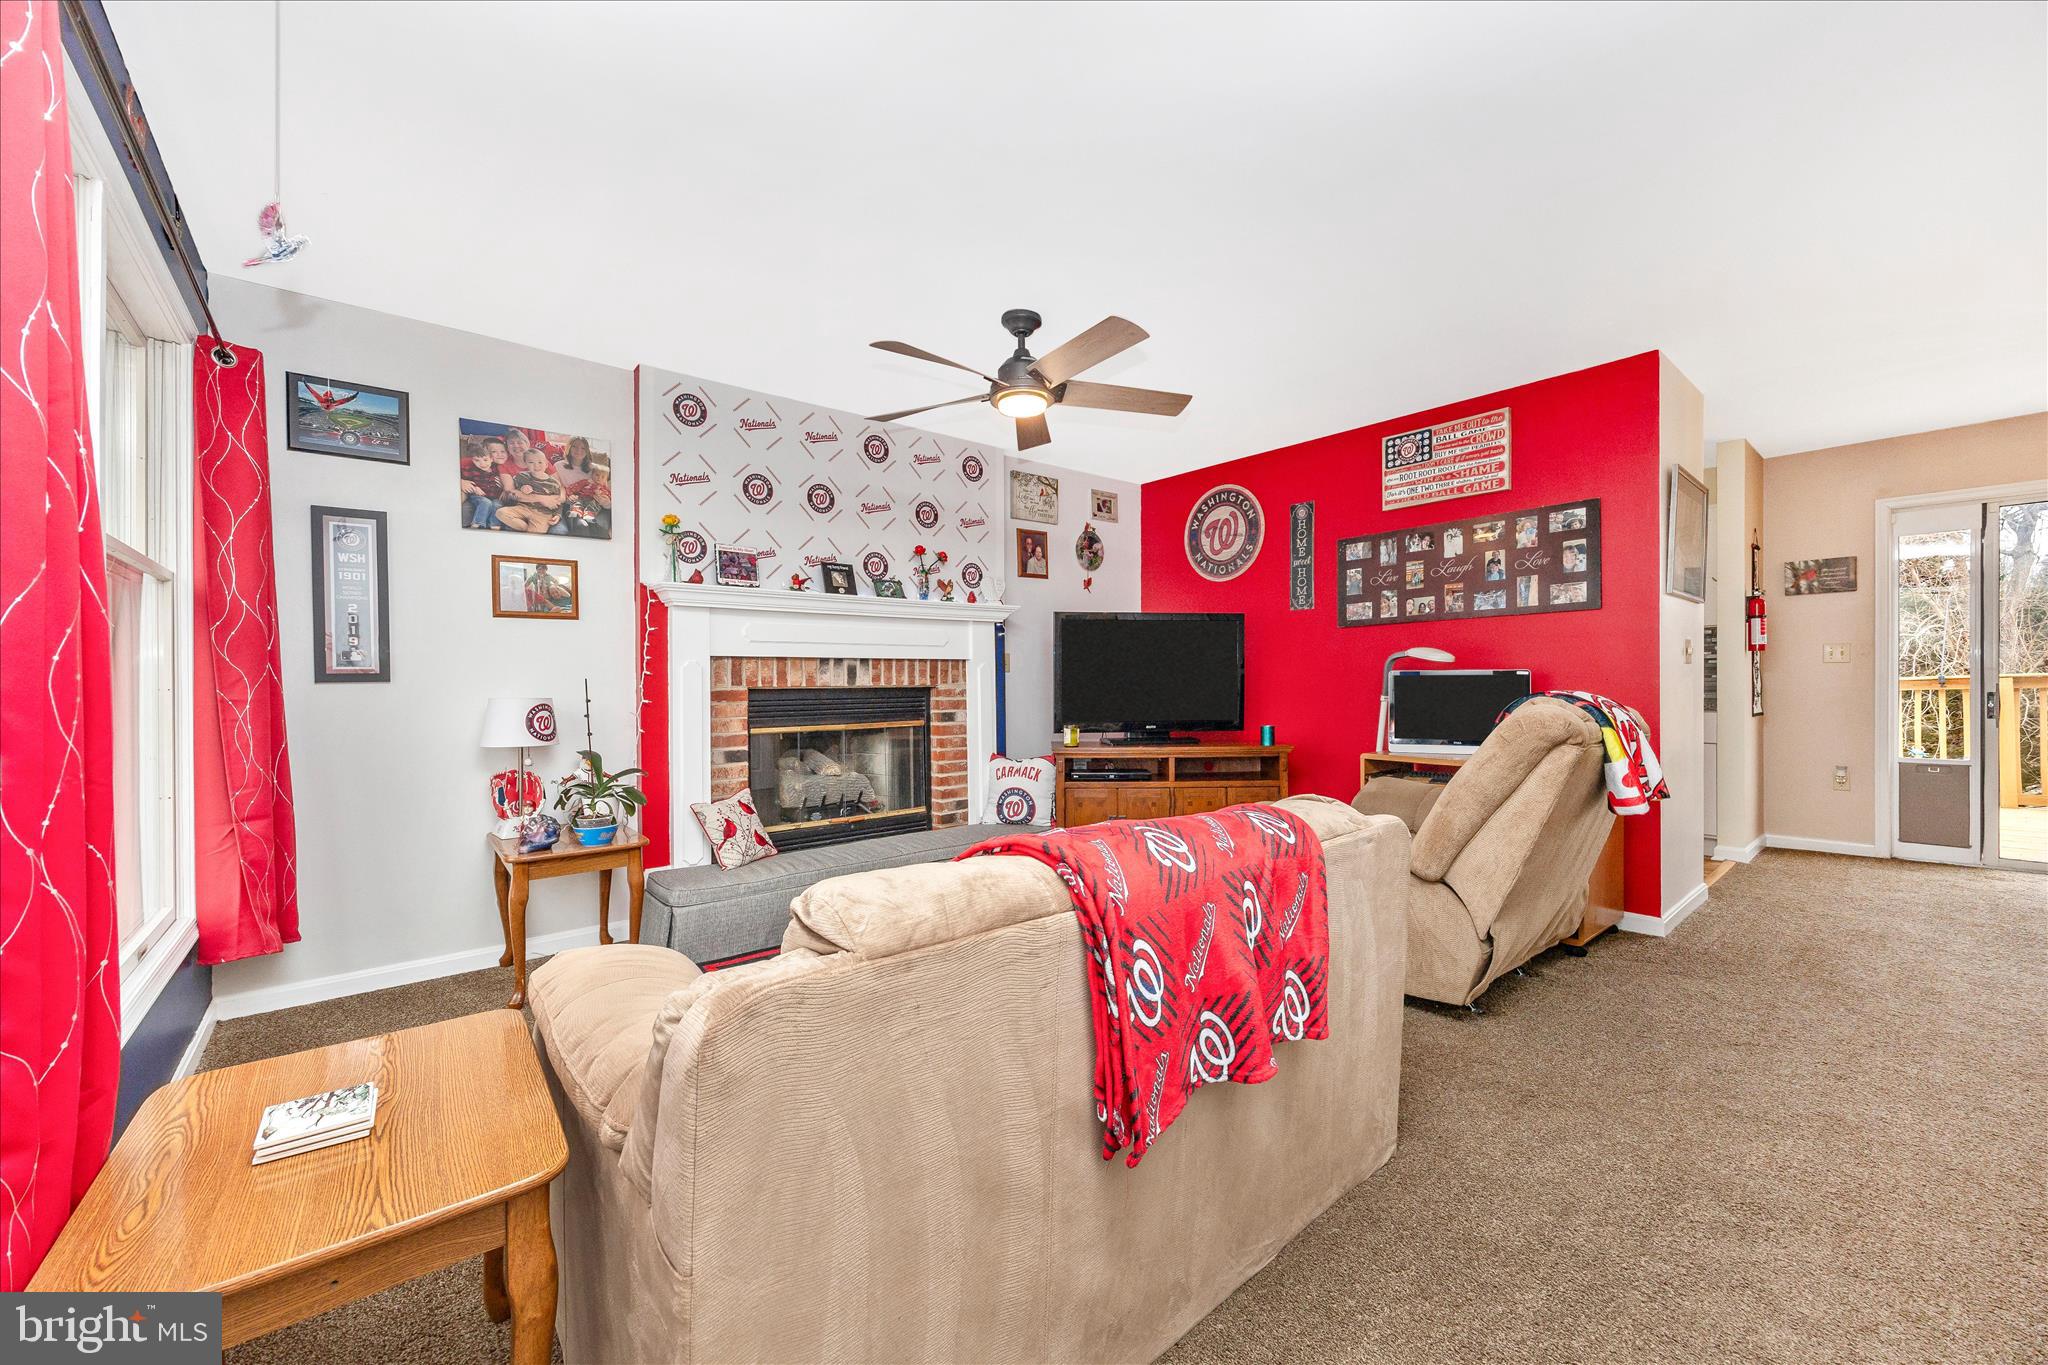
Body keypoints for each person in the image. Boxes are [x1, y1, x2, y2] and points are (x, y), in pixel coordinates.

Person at [494, 447, 567, 533]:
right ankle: (525, 528)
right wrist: (522, 489)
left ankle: (530, 532)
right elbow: (514, 493)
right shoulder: (521, 477)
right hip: (523, 508)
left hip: (543, 514)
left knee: (535, 534)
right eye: (531, 462)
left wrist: (557, 515)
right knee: (500, 513)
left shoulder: (554, 483)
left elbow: (558, 502)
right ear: (526, 464)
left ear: (546, 464)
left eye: (540, 462)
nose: (536, 466)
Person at [460, 437, 509, 528]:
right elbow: (467, 479)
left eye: (485, 460)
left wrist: (504, 488)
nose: (482, 464)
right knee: (485, 502)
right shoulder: (471, 468)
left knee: (497, 504)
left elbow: (506, 481)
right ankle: (478, 524)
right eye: (477, 461)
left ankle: (494, 525)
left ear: (490, 459)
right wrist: (474, 487)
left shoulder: (496, 469)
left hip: (495, 496)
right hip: (478, 496)